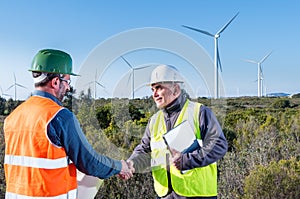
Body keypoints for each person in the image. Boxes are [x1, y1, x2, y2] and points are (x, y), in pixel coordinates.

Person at [3, 49, 133, 198]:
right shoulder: (59, 116)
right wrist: (120, 166)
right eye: (67, 81)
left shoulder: (12, 117)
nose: (68, 87)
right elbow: (89, 162)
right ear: (56, 82)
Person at [123, 64, 228, 199]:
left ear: (176, 89)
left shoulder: (199, 112)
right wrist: (131, 163)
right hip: (165, 195)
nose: (154, 94)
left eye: (159, 88)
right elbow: (144, 150)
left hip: (197, 194)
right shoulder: (154, 121)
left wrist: (187, 160)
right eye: (152, 89)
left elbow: (219, 145)